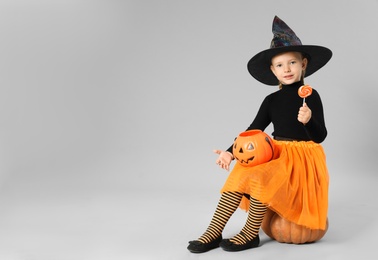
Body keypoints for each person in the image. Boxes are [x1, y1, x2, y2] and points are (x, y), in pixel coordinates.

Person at [187, 16, 332, 253]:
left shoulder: (310, 96)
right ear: (272, 70)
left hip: (302, 156)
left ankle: (250, 232)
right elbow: (253, 130)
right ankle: (214, 230)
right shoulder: (271, 100)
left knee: (262, 177)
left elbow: (321, 135)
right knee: (242, 171)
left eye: (292, 63)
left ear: (303, 64)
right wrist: (230, 152)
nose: (286, 69)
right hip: (276, 150)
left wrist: (309, 121)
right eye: (280, 65)